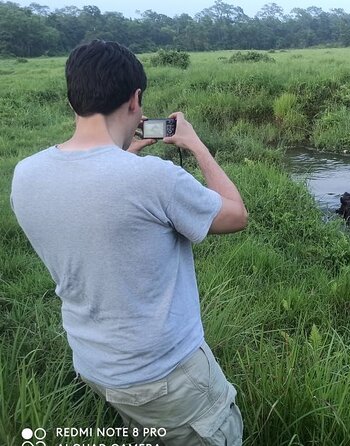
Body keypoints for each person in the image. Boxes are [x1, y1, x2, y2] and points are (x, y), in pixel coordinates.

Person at [10, 40, 247, 446]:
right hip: (165, 375)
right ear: (136, 100)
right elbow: (235, 214)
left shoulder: (25, 174)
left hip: (95, 364)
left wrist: (123, 155)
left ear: (73, 98)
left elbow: (95, 197)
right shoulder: (152, 178)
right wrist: (195, 144)